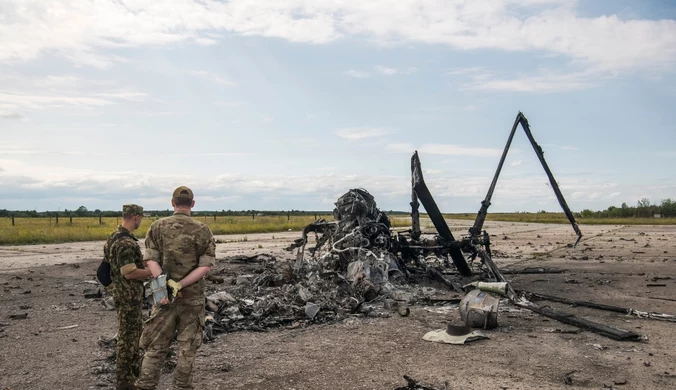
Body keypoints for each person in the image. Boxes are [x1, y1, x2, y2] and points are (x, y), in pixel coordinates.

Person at [135, 186, 216, 390]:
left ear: (172, 203)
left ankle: (145, 385)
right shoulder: (202, 230)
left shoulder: (157, 227)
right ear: (193, 204)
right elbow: (205, 266)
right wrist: (180, 284)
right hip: (192, 298)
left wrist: (164, 285)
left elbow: (150, 261)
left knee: (155, 348)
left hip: (163, 297)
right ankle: (181, 387)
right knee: (186, 349)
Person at [104, 204, 152, 390]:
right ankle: (125, 381)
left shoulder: (114, 237)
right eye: (140, 217)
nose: (141, 220)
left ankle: (132, 375)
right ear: (135, 217)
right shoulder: (125, 243)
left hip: (123, 293)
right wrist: (151, 272)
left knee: (132, 335)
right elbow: (129, 272)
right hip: (128, 295)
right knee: (128, 338)